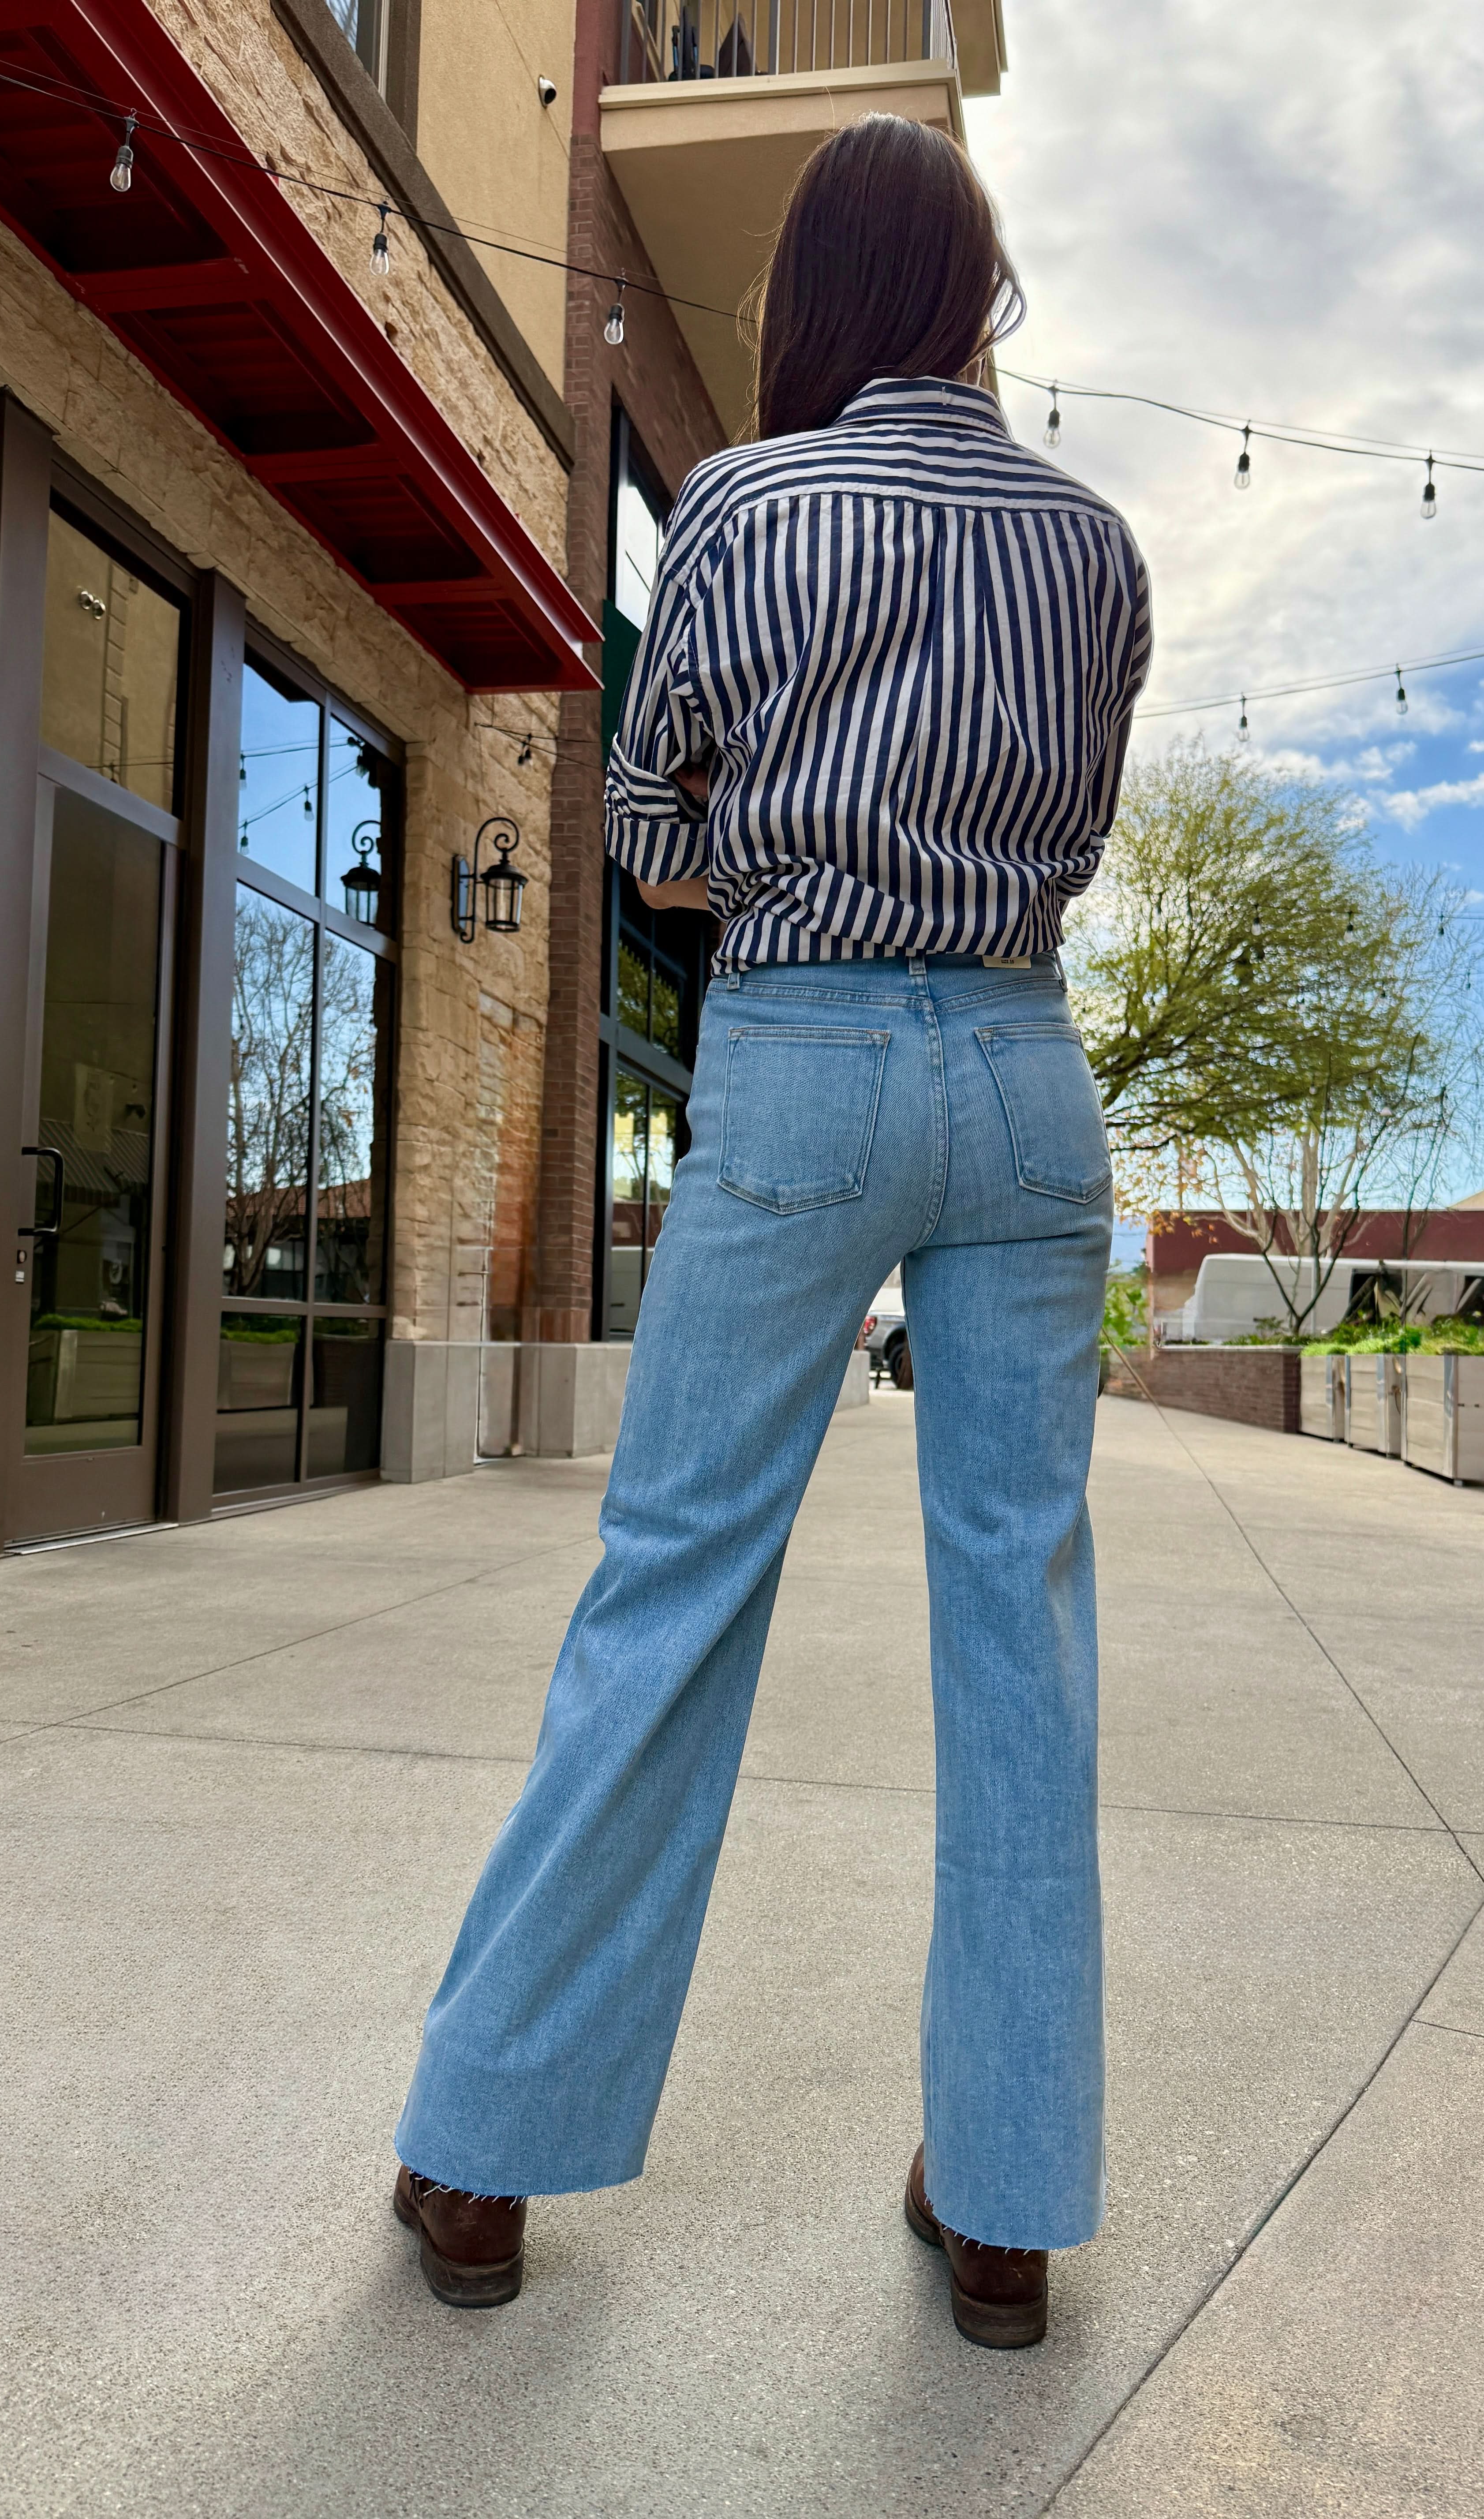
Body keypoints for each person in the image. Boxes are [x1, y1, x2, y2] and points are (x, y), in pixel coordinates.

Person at [392, 111, 1153, 2351]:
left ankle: (488, 2152)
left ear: (815, 300)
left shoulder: (738, 502)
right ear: (979, 302)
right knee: (1021, 1627)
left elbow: (650, 833)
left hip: (805, 1054)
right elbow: (1076, 834)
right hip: (1026, 1078)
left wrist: (791, 856)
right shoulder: (1095, 544)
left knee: (674, 1582)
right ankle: (1006, 2200)